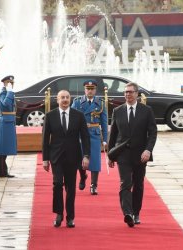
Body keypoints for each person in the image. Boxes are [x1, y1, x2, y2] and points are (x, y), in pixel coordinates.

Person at [108, 82, 157, 227]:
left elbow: (153, 133)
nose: (127, 94)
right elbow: (113, 135)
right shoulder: (118, 111)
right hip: (123, 154)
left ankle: (136, 213)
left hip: (140, 154)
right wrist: (111, 155)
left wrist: (148, 150)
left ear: (137, 94)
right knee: (125, 183)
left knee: (138, 185)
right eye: (125, 92)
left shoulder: (146, 110)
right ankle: (127, 213)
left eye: (130, 92)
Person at [42, 90, 90, 228]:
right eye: (62, 97)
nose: (65, 100)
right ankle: (58, 214)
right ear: (57, 100)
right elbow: (45, 139)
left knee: (70, 188)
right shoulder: (50, 116)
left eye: (67, 97)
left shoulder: (78, 116)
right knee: (57, 184)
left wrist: (86, 156)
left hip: (73, 157)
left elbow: (85, 137)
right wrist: (45, 159)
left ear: (70, 99)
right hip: (56, 157)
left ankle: (70, 217)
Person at [71, 80, 108, 195]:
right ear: (84, 89)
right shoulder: (77, 102)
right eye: (88, 88)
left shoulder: (100, 103)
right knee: (80, 158)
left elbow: (104, 123)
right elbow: (71, 119)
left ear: (95, 90)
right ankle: (83, 176)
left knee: (95, 160)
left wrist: (106, 139)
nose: (90, 91)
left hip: (94, 134)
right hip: (80, 134)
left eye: (92, 89)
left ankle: (94, 185)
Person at [0, 75, 17, 178]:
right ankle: (2, 172)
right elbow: (6, 104)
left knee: (5, 148)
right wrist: (10, 92)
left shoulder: (7, 93)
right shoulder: (3, 93)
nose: (11, 84)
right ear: (4, 83)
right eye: (9, 82)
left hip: (9, 121)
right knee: (2, 149)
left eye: (12, 83)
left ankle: (3, 171)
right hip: (5, 122)